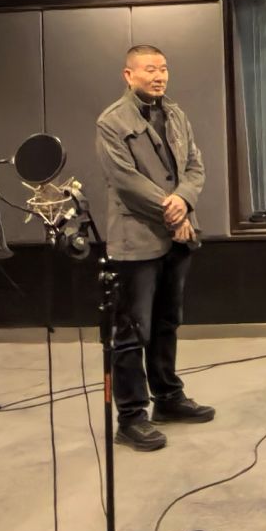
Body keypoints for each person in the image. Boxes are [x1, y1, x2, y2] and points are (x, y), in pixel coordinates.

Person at [95, 44, 214, 452]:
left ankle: (168, 398)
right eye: (150, 69)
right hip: (137, 239)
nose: (159, 75)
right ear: (129, 75)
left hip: (178, 234)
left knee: (167, 322)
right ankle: (131, 418)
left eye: (164, 68)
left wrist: (184, 200)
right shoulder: (112, 121)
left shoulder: (176, 114)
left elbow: (195, 166)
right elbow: (125, 180)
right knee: (132, 332)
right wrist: (174, 213)